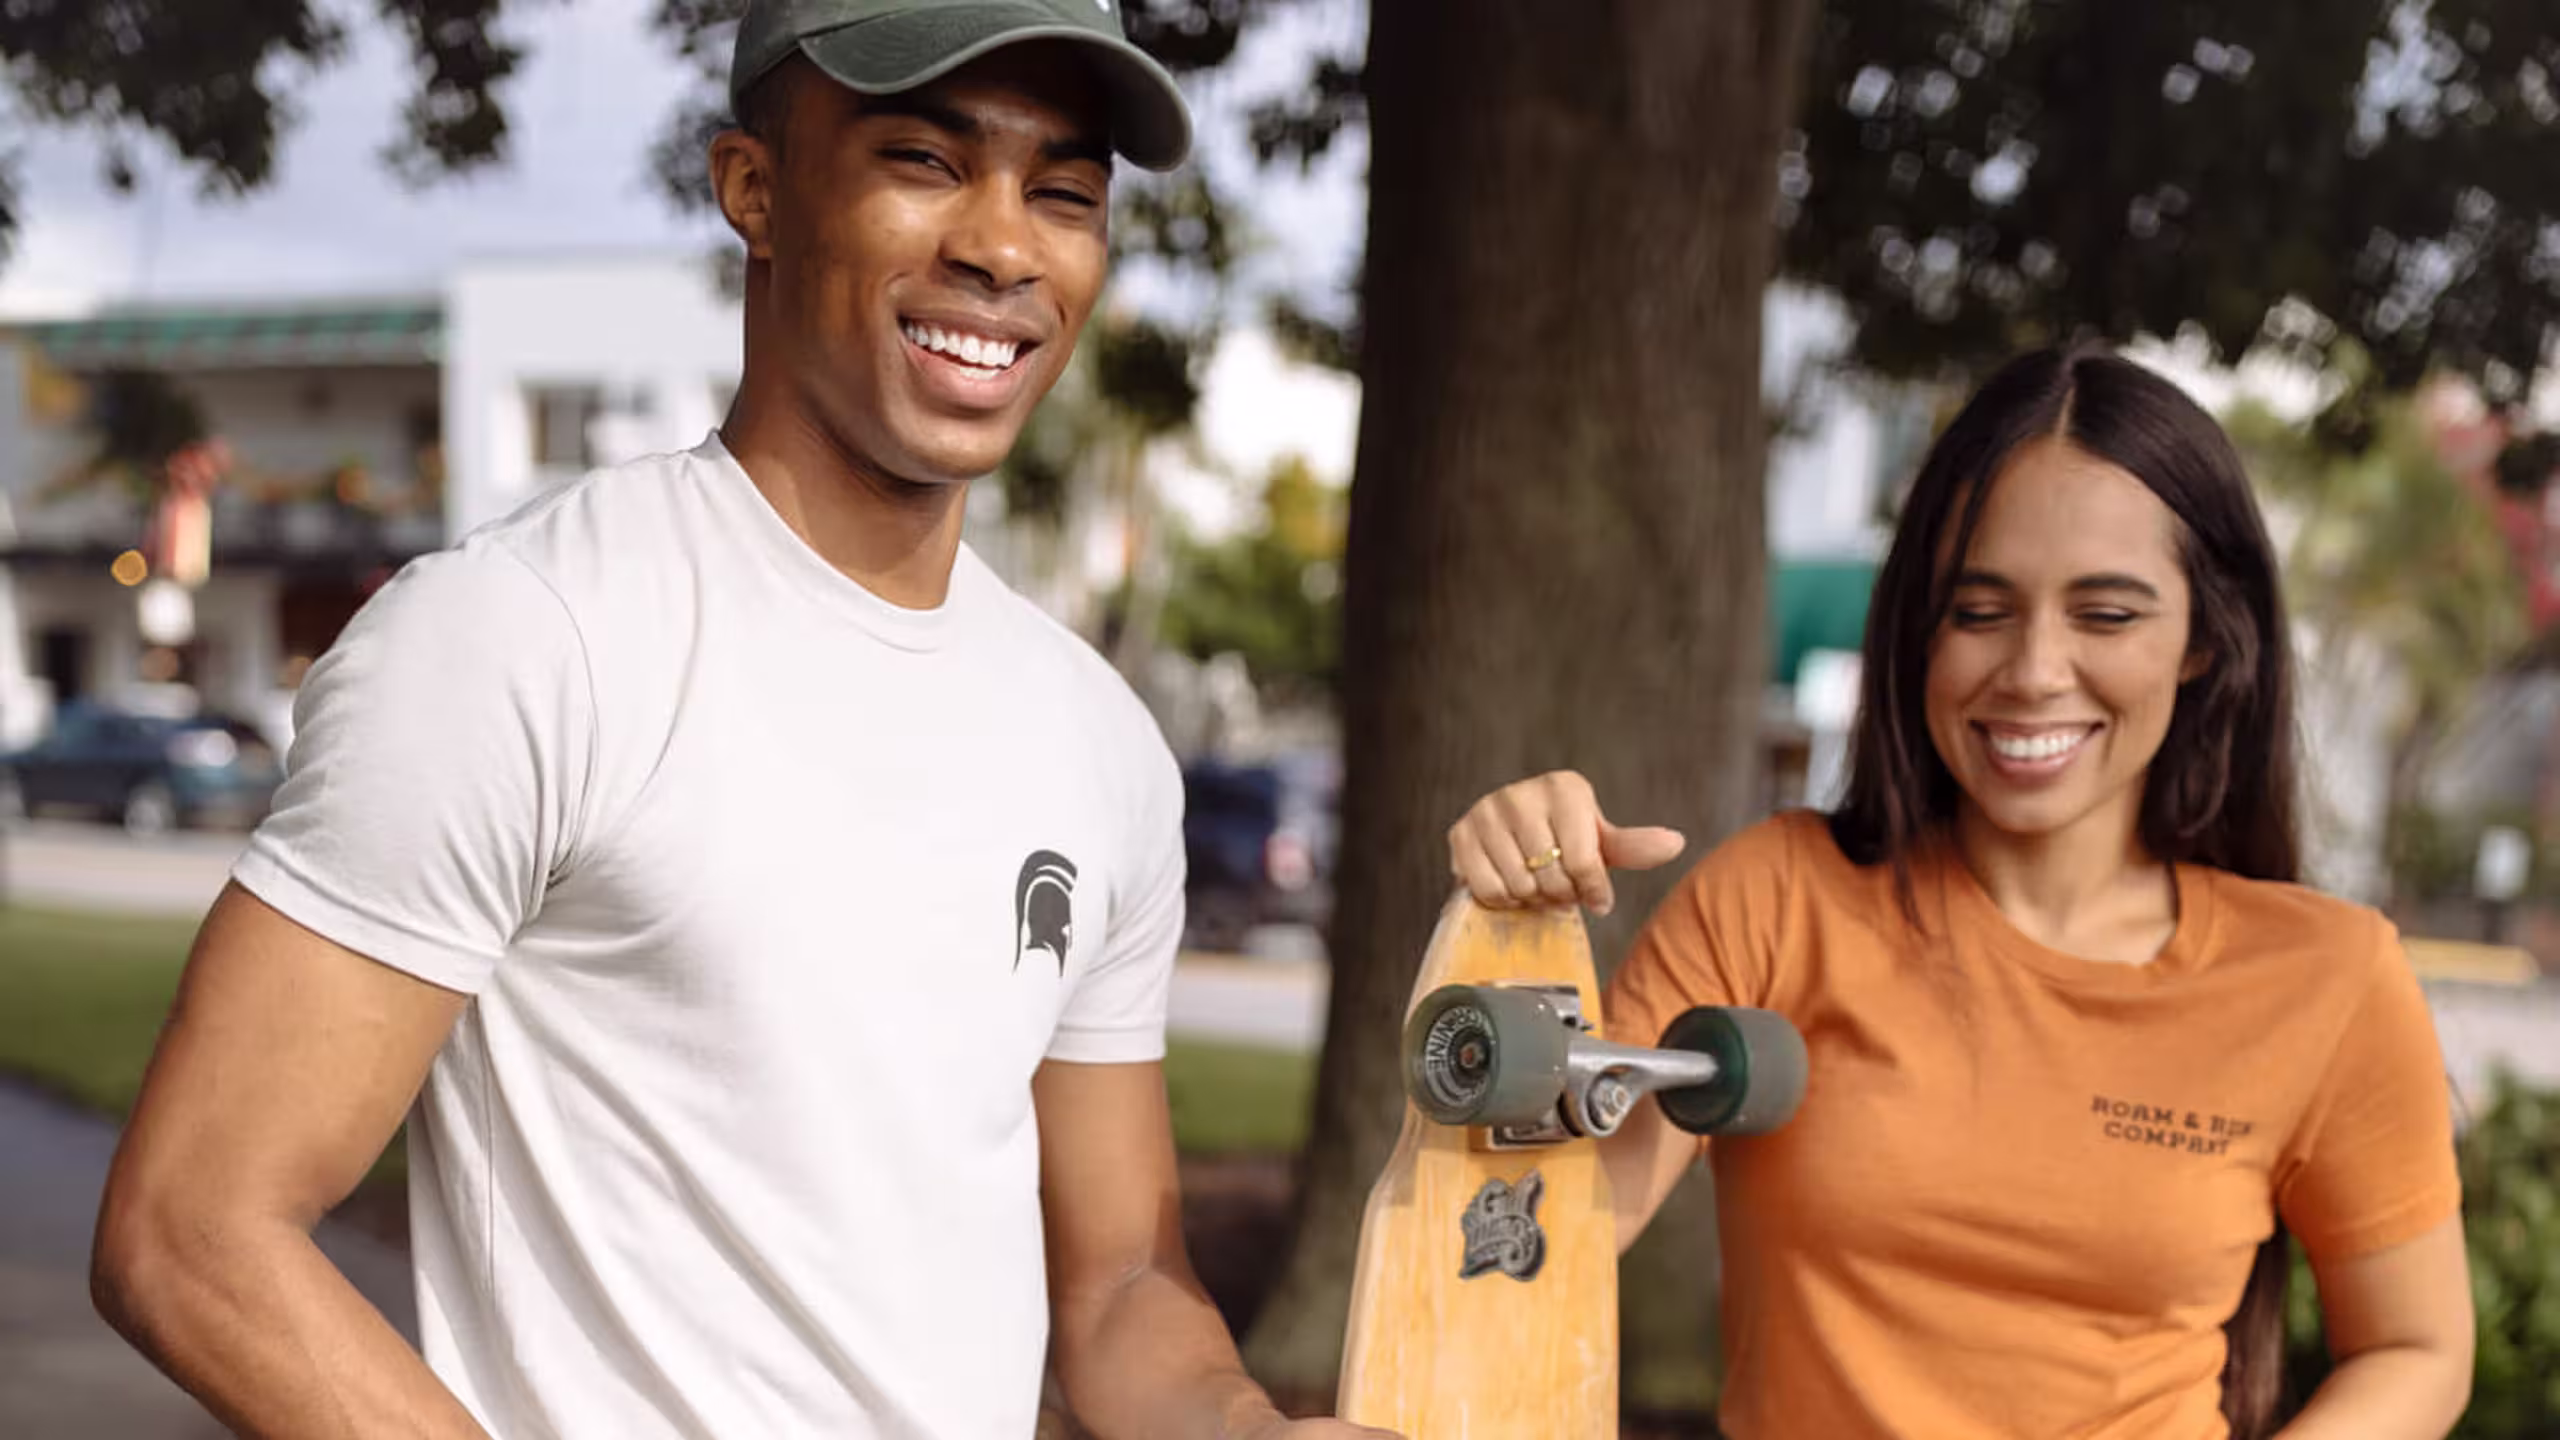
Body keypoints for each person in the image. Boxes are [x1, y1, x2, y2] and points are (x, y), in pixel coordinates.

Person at [89, 2, 1389, 1436]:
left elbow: (1120, 1284)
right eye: (924, 159)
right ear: (752, 190)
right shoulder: (530, 638)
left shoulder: (1098, 743)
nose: (1006, 247)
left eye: (1065, 191)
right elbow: (195, 1228)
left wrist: (1249, 1429)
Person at [1446, 346, 2475, 1438]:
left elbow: (2417, 1348)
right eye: (1978, 611)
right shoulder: (1776, 904)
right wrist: (1510, 947)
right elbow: (1520, 1242)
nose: (2032, 670)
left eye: (2107, 615)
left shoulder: (2327, 976)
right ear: (1915, 630)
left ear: (2204, 642)